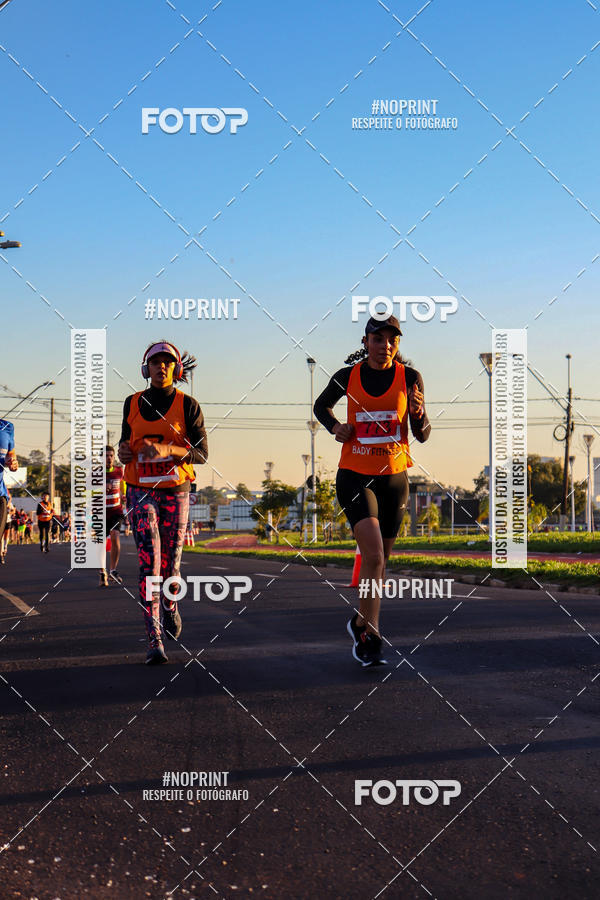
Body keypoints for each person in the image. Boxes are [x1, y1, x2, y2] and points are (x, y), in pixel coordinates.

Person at [314, 315, 430, 666]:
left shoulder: (410, 378)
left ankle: (361, 620)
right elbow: (321, 406)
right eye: (378, 339)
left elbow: (421, 434)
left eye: (392, 340)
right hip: (355, 475)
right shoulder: (347, 376)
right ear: (365, 342)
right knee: (374, 557)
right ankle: (370, 633)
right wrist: (336, 427)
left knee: (380, 565)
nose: (386, 346)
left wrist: (419, 412)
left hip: (394, 479)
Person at [118, 341, 208, 665]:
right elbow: (124, 442)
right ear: (146, 369)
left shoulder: (188, 405)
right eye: (155, 362)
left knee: (170, 564)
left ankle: (170, 605)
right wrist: (123, 452)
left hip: (175, 490)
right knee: (149, 561)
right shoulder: (131, 403)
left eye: (167, 362)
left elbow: (202, 454)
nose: (161, 367)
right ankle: (153, 637)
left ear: (176, 369)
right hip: (140, 489)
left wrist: (169, 451)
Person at [98, 445, 126, 587]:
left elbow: (123, 486)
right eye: (106, 456)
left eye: (111, 455)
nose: (108, 458)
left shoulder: (119, 471)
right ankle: (102, 572)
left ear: (114, 457)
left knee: (115, 536)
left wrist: (125, 496)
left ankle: (113, 570)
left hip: (116, 511)